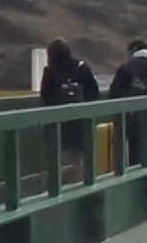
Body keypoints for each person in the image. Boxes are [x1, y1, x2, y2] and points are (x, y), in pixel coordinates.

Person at [38, 37, 100, 185]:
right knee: (78, 156)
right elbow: (94, 92)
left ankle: (53, 187)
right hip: (80, 121)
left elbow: (45, 96)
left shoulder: (50, 71)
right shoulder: (81, 67)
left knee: (56, 155)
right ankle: (79, 185)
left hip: (57, 122)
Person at [108, 39, 147, 162]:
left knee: (132, 150)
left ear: (133, 50)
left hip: (130, 116)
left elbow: (114, 92)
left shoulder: (126, 67)